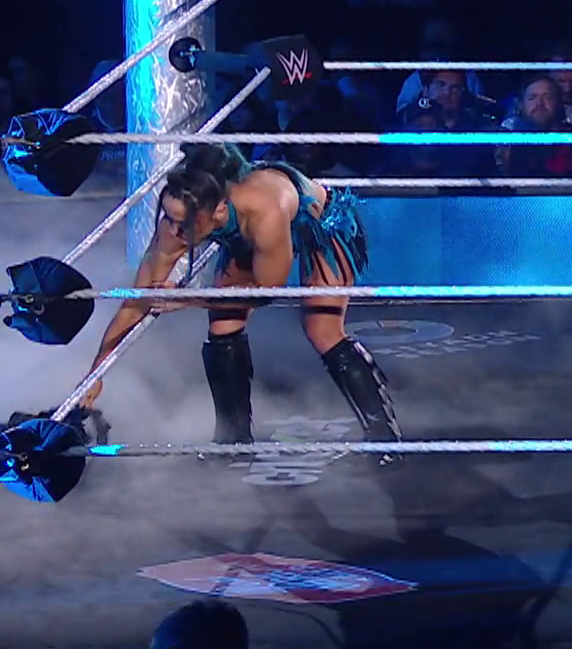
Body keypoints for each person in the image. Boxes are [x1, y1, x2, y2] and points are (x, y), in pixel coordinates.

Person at [81, 144, 400, 455]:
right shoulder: (177, 225)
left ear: (218, 210)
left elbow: (267, 290)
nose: (175, 232)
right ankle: (233, 442)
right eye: (169, 218)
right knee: (223, 325)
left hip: (319, 223)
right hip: (247, 235)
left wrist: (189, 299)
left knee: (322, 329)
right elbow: (137, 302)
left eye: (185, 223)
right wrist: (96, 373)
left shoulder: (264, 212)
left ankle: (384, 439)